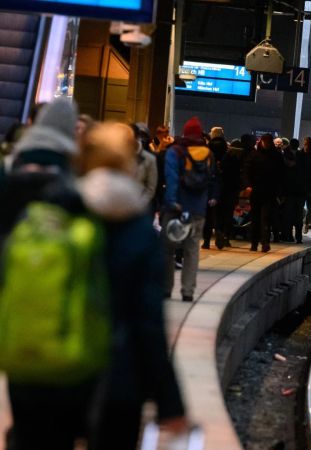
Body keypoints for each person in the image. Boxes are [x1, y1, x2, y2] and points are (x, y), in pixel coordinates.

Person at [77, 122, 188, 449]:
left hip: (50, 372)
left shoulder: (58, 209)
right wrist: (170, 402)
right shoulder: (138, 230)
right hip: (117, 379)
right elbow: (148, 323)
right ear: (128, 164)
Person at [0, 100, 98, 449]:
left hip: (15, 309)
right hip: (61, 318)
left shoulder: (10, 170)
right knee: (58, 423)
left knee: (23, 399)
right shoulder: (73, 179)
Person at [162, 117, 217, 301]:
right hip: (197, 209)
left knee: (168, 249)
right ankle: (188, 291)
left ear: (185, 133)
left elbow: (171, 179)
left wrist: (171, 201)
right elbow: (210, 181)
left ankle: (166, 287)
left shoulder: (175, 152)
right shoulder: (208, 154)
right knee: (192, 250)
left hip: (176, 208)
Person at [243, 134, 283, 251]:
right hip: (263, 191)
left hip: (263, 191)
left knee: (262, 217)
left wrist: (248, 185)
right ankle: (257, 242)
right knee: (259, 218)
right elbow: (281, 174)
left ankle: (262, 242)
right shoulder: (276, 156)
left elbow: (246, 170)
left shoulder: (255, 155)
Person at [202, 126, 227, 249]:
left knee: (207, 216)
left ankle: (206, 241)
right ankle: (219, 231)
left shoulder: (208, 149)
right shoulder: (227, 149)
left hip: (207, 185)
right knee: (218, 213)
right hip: (221, 184)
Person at [131, 122, 158, 209]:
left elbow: (151, 188)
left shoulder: (151, 158)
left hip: (140, 205)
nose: (142, 139)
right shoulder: (119, 154)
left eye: (144, 136)